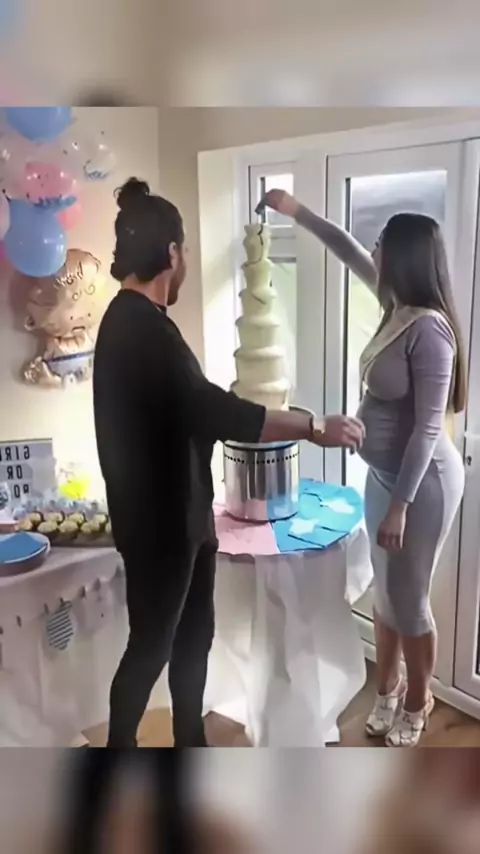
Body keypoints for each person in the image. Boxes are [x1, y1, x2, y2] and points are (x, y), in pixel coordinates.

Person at [93, 177, 365, 748]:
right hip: (159, 527)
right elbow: (214, 409)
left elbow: (187, 409)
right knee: (151, 646)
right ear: (172, 253)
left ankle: (190, 741)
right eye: (186, 250)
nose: (188, 261)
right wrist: (312, 427)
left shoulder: (134, 320)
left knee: (194, 639)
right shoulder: (140, 328)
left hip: (184, 516)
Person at [259, 188, 466, 747]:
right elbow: (345, 246)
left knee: (410, 600)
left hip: (422, 487)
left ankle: (419, 702)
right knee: (384, 591)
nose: (372, 250)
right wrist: (296, 211)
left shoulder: (431, 331)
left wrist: (400, 506)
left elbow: (428, 429)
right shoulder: (394, 305)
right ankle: (388, 687)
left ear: (402, 256)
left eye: (381, 244)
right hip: (382, 477)